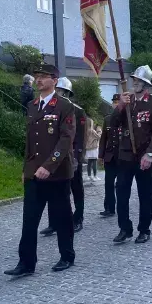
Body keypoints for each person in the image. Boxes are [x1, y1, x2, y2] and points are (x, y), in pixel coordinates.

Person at [4, 64, 76, 276]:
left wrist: (49, 166)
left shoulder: (64, 106)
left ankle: (67, 256)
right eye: (37, 77)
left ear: (55, 80)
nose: (39, 80)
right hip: (34, 173)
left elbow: (66, 140)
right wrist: (26, 168)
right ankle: (26, 263)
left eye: (44, 77)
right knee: (30, 220)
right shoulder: (33, 106)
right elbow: (30, 141)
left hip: (57, 174)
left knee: (62, 218)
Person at [111, 65, 152, 244]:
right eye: (134, 80)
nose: (135, 83)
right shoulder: (127, 100)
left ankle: (144, 229)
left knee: (145, 194)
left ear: (146, 84)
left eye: (139, 81)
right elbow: (113, 122)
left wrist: (150, 154)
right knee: (122, 192)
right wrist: (120, 106)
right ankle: (125, 228)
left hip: (144, 155)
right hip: (126, 154)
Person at [40, 77, 87, 236]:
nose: (57, 94)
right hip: (54, 158)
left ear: (67, 93)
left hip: (71, 157)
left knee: (76, 189)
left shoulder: (78, 111)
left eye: (60, 91)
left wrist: (77, 158)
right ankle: (54, 223)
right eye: (56, 91)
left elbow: (81, 138)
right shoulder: (50, 109)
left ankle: (78, 218)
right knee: (54, 190)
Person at [98, 94, 121, 218]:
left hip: (122, 156)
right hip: (110, 156)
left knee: (121, 184)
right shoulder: (107, 119)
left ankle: (122, 207)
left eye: (118, 102)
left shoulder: (126, 118)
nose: (116, 104)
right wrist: (101, 155)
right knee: (108, 183)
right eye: (114, 102)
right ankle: (109, 208)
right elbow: (103, 139)